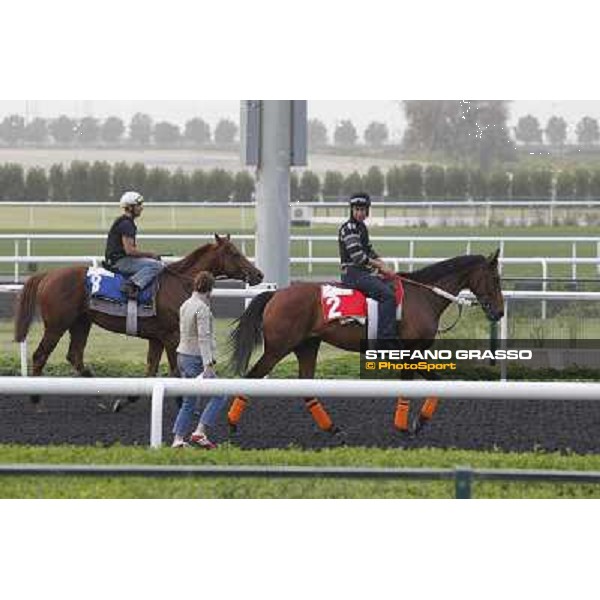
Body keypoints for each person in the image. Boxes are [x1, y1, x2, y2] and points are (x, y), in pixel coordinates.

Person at [171, 271, 227, 449]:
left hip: (182, 356)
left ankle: (178, 440)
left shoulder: (186, 304)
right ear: (210, 289)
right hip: (196, 359)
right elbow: (204, 337)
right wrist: (208, 364)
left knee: (189, 402)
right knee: (220, 394)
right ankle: (199, 432)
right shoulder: (202, 308)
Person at [338, 192, 400, 348]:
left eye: (363, 210)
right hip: (352, 275)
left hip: (362, 273)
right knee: (387, 296)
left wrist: (384, 264)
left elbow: (369, 251)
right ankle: (384, 341)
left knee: (391, 285)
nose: (360, 213)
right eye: (357, 209)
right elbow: (358, 257)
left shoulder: (361, 227)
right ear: (351, 210)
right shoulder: (349, 229)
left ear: (367, 211)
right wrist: (380, 266)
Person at [104, 190, 164, 299]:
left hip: (117, 260)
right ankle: (131, 285)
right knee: (157, 265)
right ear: (130, 207)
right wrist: (150, 254)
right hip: (121, 262)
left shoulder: (123, 221)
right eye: (139, 205)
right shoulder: (127, 224)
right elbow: (130, 251)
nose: (141, 208)